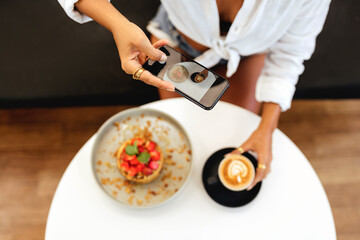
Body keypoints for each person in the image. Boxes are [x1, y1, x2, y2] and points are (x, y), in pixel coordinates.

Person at [58, 0, 331, 190]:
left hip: (249, 54)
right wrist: (118, 24)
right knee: (182, 145)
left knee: (229, 143)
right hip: (177, 46)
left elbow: (291, 53)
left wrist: (268, 127)